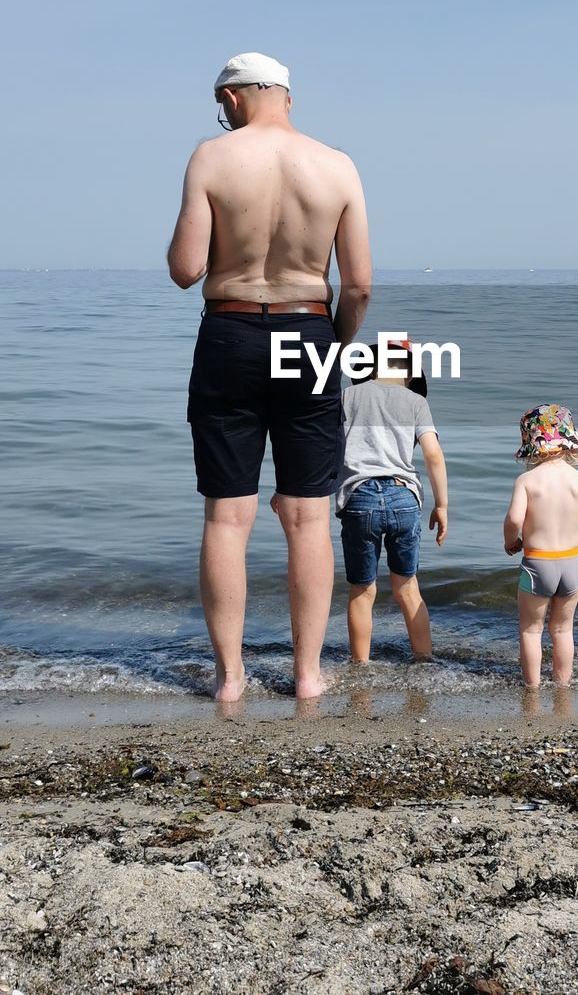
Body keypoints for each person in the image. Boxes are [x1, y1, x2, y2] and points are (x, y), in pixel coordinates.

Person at [167, 52, 372, 701]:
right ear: (287, 96)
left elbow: (184, 268)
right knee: (310, 520)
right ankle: (307, 675)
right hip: (310, 328)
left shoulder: (211, 157)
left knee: (228, 519)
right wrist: (333, 346)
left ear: (240, 93)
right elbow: (360, 283)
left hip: (230, 330)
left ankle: (230, 680)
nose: (219, 113)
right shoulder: (337, 165)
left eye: (220, 101)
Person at [334, 340, 448, 662]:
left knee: (362, 591)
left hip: (359, 498)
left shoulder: (345, 397)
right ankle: (424, 660)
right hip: (404, 497)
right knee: (407, 588)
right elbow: (433, 455)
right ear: (409, 374)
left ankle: (360, 665)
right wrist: (442, 505)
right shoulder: (414, 402)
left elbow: (324, 447)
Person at [503, 405, 578, 688]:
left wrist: (511, 541)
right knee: (563, 629)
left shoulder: (527, 481)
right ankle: (562, 685)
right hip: (571, 563)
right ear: (569, 442)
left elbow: (514, 518)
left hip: (537, 562)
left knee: (531, 630)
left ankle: (532, 686)